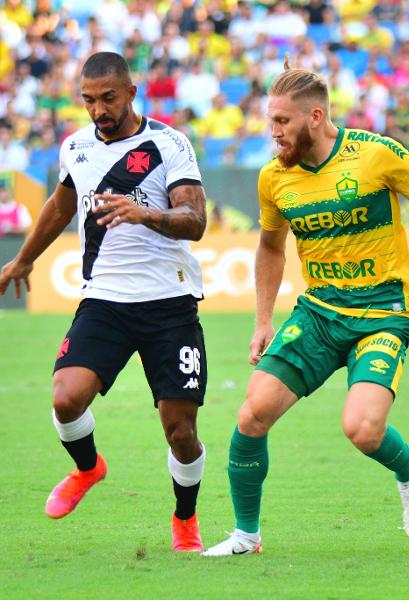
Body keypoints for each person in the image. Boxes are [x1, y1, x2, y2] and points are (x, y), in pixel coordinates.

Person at [203, 62, 409, 556]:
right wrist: (263, 320)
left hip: (383, 310)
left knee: (361, 429)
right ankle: (246, 536)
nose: (273, 133)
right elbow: (271, 248)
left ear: (315, 117)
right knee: (252, 414)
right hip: (318, 313)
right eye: (270, 121)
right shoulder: (275, 177)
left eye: (282, 122)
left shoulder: (376, 154)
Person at [0, 52, 208, 553]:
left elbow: (195, 220)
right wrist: (24, 260)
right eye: (89, 100)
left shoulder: (169, 143)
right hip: (105, 301)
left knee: (180, 432)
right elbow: (61, 205)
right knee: (65, 398)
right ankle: (89, 468)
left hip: (169, 304)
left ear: (131, 93)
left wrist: (145, 214)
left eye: (108, 98)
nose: (99, 110)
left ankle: (185, 520)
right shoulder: (75, 146)